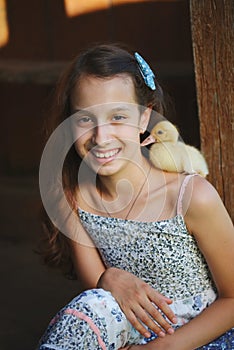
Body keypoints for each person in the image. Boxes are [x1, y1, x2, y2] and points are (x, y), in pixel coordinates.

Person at [38, 42, 234, 350]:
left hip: (201, 340)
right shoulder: (75, 196)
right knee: (90, 307)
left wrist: (162, 348)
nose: (101, 137)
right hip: (125, 337)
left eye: (118, 116)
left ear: (145, 119)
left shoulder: (191, 196)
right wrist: (110, 277)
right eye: (85, 119)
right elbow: (96, 292)